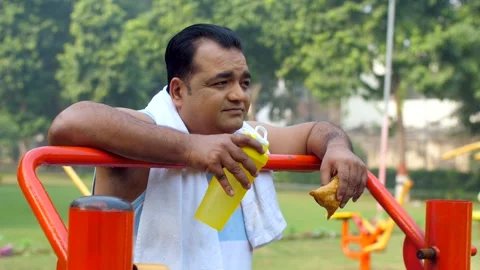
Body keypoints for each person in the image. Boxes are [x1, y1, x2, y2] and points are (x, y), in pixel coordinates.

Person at [48, 24, 367, 269]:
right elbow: (70, 121)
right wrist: (191, 149)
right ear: (177, 91)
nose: (240, 95)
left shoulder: (249, 139)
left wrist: (338, 147)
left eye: (244, 82)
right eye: (221, 82)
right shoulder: (145, 131)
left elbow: (317, 131)